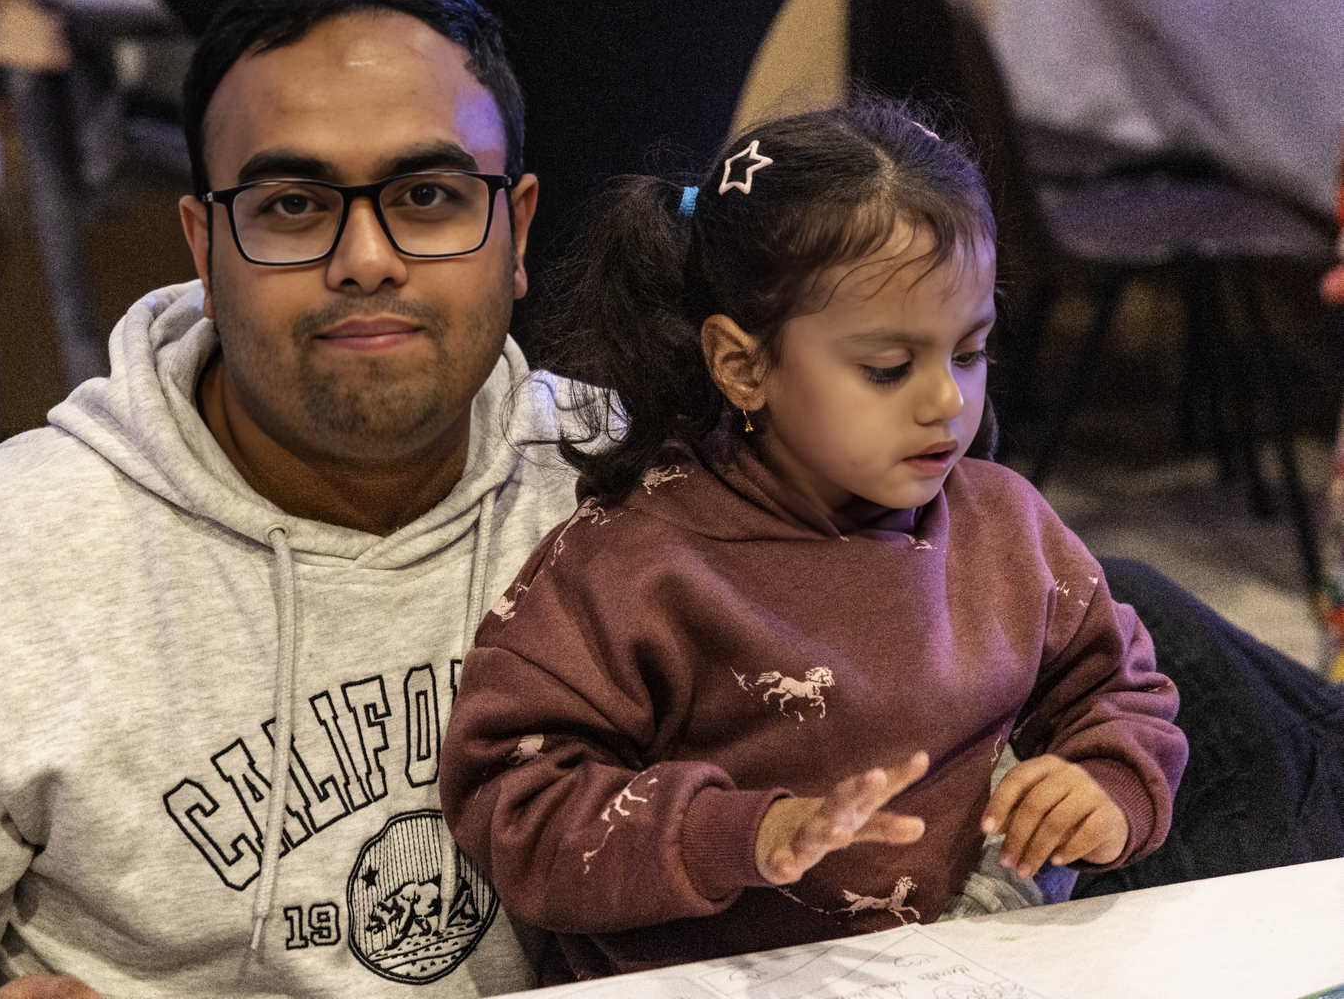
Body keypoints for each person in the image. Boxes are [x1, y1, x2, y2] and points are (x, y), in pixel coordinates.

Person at [0, 0, 582, 998]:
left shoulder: (642, 490)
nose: (366, 258)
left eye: (428, 197)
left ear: (516, 230)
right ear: (205, 249)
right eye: (293, 205)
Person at [438, 103, 1190, 983]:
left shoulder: (1008, 528)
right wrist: (746, 833)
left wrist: (1105, 782)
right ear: (743, 365)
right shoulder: (631, 565)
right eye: (887, 369)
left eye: (970, 352)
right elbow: (517, 802)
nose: (947, 401)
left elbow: (1119, 693)